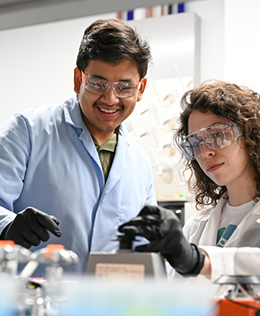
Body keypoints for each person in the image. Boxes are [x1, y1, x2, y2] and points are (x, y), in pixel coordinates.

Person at [119, 80, 260, 316]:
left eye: (217, 135)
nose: (205, 152)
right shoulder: (197, 225)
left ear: (251, 135)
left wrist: (199, 260)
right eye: (195, 142)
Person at [0, 18, 157, 276]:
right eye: (98, 83)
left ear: (140, 88)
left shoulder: (140, 164)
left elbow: (143, 250)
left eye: (124, 87)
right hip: (30, 309)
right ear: (78, 79)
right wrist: (7, 225)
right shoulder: (28, 131)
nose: (110, 98)